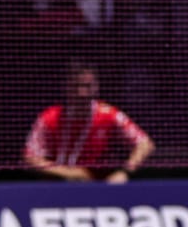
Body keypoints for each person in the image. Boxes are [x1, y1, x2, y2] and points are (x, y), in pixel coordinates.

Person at [24, 62, 154, 183]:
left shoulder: (109, 115)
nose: (82, 93)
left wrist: (125, 172)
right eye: (76, 86)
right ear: (67, 87)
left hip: (97, 187)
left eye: (87, 86)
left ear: (96, 87)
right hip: (53, 187)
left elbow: (145, 144)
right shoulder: (49, 117)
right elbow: (30, 158)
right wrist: (67, 173)